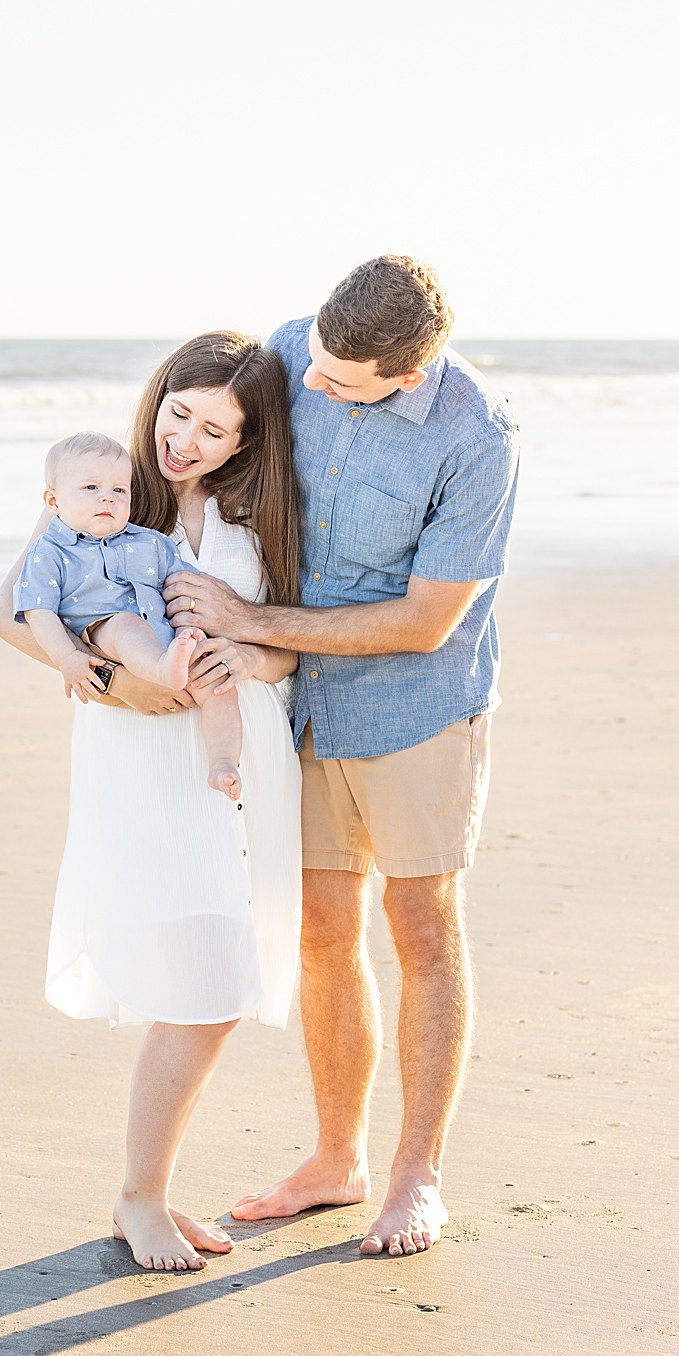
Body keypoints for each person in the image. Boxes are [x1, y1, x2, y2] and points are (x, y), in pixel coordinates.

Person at [165, 256, 521, 1258]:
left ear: (406, 375)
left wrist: (254, 621)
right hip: (297, 705)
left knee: (421, 926)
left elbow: (425, 620)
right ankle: (336, 1157)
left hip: (415, 709)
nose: (311, 382)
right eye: (314, 359)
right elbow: (196, 441)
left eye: (341, 378)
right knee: (323, 923)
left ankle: (416, 1176)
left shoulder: (476, 440)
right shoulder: (292, 348)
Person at [0, 331, 305, 1271]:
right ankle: (140, 1197)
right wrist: (117, 679)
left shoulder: (263, 514)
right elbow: (9, 613)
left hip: (239, 760)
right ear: (157, 396)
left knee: (217, 985)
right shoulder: (104, 491)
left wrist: (251, 651)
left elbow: (294, 642)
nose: (187, 439)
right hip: (139, 761)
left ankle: (147, 1191)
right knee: (200, 987)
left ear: (245, 440)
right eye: (179, 412)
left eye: (214, 428)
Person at [14, 432, 244, 799]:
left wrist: (203, 619)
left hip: (166, 636)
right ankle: (164, 670)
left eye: (120, 490)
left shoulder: (150, 542)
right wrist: (68, 657)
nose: (108, 496)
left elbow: (186, 584)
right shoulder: (50, 551)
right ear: (53, 501)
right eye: (91, 487)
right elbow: (36, 609)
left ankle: (223, 763)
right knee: (126, 625)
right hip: (104, 628)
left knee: (219, 685)